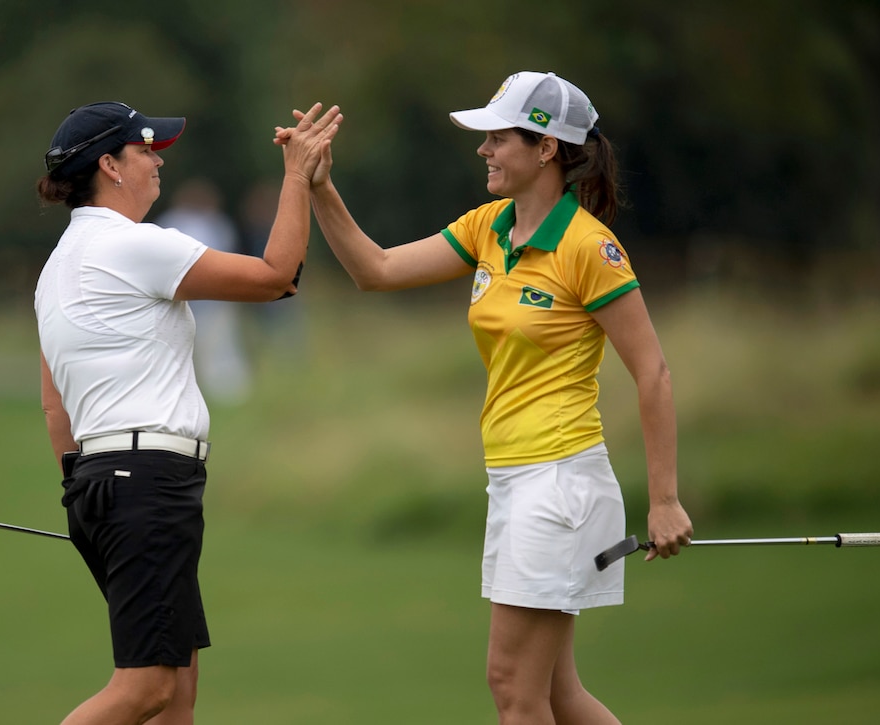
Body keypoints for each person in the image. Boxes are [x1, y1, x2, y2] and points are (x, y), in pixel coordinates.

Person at [279, 71, 693, 724]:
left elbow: (654, 373)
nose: (484, 150)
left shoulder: (590, 246)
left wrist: (665, 499)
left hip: (559, 483)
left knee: (513, 689)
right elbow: (375, 269)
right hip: (515, 481)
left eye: (498, 138)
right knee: (558, 695)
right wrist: (319, 186)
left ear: (546, 148)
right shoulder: (489, 228)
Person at [35, 100, 340, 725]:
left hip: (104, 484)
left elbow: (54, 407)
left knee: (176, 696)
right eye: (146, 150)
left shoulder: (55, 268)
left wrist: (89, 497)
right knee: (145, 691)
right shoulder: (132, 246)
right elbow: (276, 277)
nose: (156, 163)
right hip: (144, 483)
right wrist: (295, 177)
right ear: (110, 166)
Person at [154, 178, 251, 404]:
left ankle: (226, 394)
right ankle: (201, 394)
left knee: (219, 347)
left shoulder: (214, 223)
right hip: (181, 302)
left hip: (212, 301)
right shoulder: (171, 223)